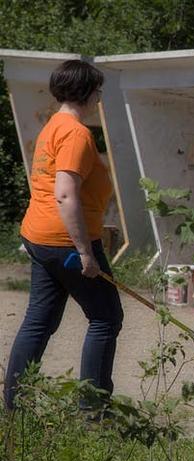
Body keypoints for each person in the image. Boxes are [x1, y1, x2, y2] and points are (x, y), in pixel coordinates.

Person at [4, 60, 123, 411]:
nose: (100, 97)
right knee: (106, 317)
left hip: (39, 236)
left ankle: (14, 406)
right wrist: (85, 252)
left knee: (39, 321)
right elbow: (65, 193)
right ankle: (93, 411)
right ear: (86, 92)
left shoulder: (52, 126)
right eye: (98, 91)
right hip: (65, 242)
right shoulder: (75, 133)